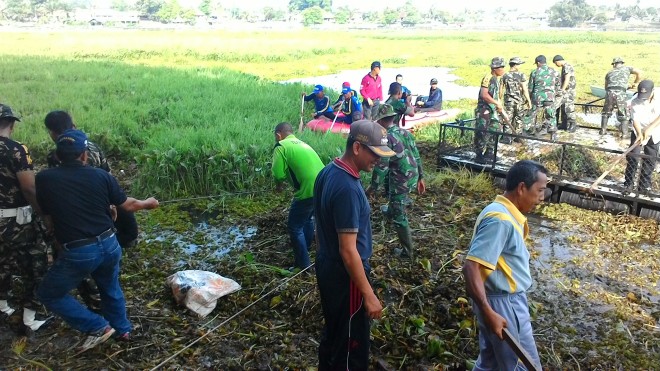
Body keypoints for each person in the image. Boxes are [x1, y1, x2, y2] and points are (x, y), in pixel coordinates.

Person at [36, 129, 159, 352]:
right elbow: (127, 206)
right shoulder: (101, 176)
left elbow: (48, 214)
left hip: (79, 250)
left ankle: (99, 326)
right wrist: (148, 203)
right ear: (84, 154)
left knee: (48, 293)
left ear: (57, 155)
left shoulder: (44, 179)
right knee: (110, 286)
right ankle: (122, 329)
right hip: (110, 244)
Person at [314, 120, 394, 370]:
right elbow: (348, 251)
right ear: (357, 147)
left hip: (327, 265)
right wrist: (368, 294)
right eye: (375, 154)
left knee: (335, 333)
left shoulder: (328, 172)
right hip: (345, 275)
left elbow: (320, 227)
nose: (378, 161)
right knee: (351, 346)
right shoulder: (348, 188)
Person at [463, 160, 547, 371]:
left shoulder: (499, 210)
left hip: (495, 300)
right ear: (521, 188)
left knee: (490, 364)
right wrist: (488, 311)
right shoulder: (500, 220)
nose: (542, 198)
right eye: (540, 191)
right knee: (523, 366)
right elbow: (471, 266)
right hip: (504, 304)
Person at [44, 111, 138, 249]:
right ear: (74, 126)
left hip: (85, 214)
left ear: (52, 134)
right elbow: (108, 177)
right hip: (102, 206)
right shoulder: (93, 147)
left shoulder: (55, 157)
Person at [0, 103, 51, 334]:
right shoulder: (17, 150)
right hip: (15, 221)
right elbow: (29, 189)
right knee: (36, 264)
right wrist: (44, 215)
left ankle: (3, 306)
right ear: (11, 124)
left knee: (2, 263)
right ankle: (30, 318)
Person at [367, 104, 425, 258]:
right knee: (394, 202)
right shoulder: (405, 133)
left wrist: (372, 189)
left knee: (400, 217)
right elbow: (417, 155)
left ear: (380, 121)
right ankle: (391, 209)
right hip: (412, 175)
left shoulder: (385, 139)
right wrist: (421, 177)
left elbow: (381, 168)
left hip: (401, 180)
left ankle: (408, 252)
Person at [271, 122, 325, 269]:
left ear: (278, 135)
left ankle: (303, 265)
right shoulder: (302, 143)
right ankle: (305, 249)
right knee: (307, 220)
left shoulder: (281, 146)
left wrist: (279, 186)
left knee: (294, 227)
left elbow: (278, 173)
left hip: (307, 190)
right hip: (323, 186)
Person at [624, 80, 659, 193]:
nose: (644, 98)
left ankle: (645, 185)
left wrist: (649, 129)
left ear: (652, 91)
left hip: (655, 130)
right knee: (633, 156)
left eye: (646, 95)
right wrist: (639, 133)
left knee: (650, 157)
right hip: (639, 128)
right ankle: (628, 183)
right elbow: (635, 119)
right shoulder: (634, 101)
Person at [474, 57, 506, 163]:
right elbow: (484, 95)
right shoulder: (488, 78)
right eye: (501, 67)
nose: (503, 69)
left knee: (496, 129)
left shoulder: (497, 80)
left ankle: (489, 152)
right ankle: (478, 154)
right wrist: (496, 103)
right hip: (484, 110)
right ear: (495, 68)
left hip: (493, 110)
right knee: (482, 131)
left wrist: (499, 106)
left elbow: (496, 96)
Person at [602, 57, 643, 136]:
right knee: (623, 114)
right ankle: (624, 134)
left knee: (605, 113)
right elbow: (639, 72)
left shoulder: (609, 73)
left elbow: (606, 87)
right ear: (622, 63)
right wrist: (635, 83)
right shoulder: (627, 68)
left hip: (609, 93)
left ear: (614, 64)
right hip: (620, 93)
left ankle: (603, 130)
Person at [526, 55, 560, 141]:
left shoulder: (534, 72)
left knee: (532, 113)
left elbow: (530, 88)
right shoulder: (555, 72)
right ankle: (553, 133)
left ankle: (529, 131)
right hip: (549, 97)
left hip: (537, 97)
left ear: (538, 63)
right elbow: (558, 86)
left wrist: (529, 99)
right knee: (551, 115)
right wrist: (553, 94)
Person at [502, 57, 532, 139]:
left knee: (508, 118)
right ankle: (518, 137)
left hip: (509, 101)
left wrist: (499, 100)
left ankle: (507, 137)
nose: (520, 66)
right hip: (519, 101)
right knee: (519, 118)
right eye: (519, 64)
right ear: (515, 65)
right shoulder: (521, 75)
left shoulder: (505, 75)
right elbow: (525, 89)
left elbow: (501, 89)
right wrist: (528, 101)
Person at [553, 55, 577, 132]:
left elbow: (567, 79)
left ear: (558, 61)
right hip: (567, 90)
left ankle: (572, 125)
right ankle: (564, 124)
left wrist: (562, 90)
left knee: (569, 107)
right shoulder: (565, 66)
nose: (556, 65)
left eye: (555, 63)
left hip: (568, 91)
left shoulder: (567, 67)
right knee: (563, 107)